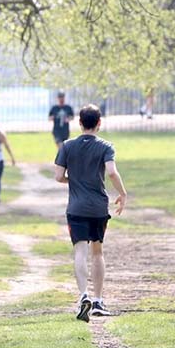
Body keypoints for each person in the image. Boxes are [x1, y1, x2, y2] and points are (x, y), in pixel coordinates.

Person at [54, 104, 127, 322]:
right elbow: (112, 171)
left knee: (80, 252)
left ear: (79, 123)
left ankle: (83, 295)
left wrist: (74, 180)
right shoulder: (105, 146)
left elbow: (58, 176)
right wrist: (122, 193)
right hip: (98, 207)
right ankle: (98, 301)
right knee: (97, 253)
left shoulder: (67, 146)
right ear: (99, 123)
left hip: (75, 208)